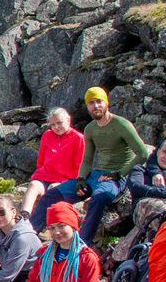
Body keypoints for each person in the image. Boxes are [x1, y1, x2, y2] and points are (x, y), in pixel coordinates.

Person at [31, 87, 149, 243]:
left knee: (99, 198)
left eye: (99, 101)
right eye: (91, 103)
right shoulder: (90, 129)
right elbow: (87, 160)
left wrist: (120, 173)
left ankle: (81, 243)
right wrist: (80, 179)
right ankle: (28, 235)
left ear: (106, 103)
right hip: (94, 174)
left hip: (115, 176)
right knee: (52, 195)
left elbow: (142, 154)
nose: (96, 106)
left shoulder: (121, 124)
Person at [22, 108, 86, 217]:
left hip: (64, 180)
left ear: (68, 120)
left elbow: (79, 165)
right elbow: (41, 160)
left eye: (59, 123)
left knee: (53, 189)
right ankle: (24, 216)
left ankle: (43, 221)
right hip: (44, 177)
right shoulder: (47, 135)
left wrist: (69, 182)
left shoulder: (78, 138)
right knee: (33, 185)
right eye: (52, 124)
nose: (56, 127)